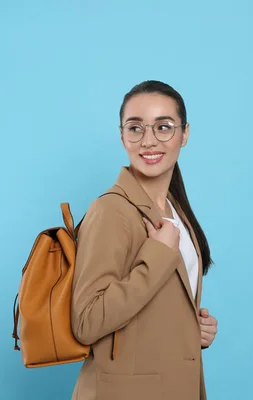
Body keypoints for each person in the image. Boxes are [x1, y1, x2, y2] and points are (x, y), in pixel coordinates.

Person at [70, 80, 218, 400]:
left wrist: (193, 329)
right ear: (122, 135)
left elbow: (146, 312)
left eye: (163, 127)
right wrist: (158, 255)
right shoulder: (111, 209)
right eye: (135, 128)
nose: (148, 140)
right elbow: (87, 321)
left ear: (185, 133)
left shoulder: (174, 209)